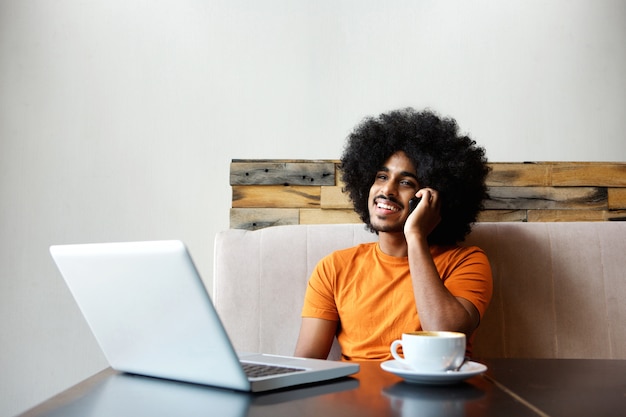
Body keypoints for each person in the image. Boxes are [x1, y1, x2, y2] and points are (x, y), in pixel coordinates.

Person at [294, 108, 493, 361]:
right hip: (353, 397)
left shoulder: (467, 261)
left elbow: (446, 332)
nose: (387, 190)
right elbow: (306, 364)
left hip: (434, 397)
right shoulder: (334, 268)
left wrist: (416, 236)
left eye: (406, 182)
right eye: (381, 176)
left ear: (432, 196)